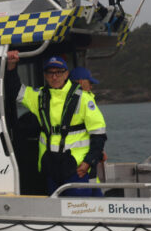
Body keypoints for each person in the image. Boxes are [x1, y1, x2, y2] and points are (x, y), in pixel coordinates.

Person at [6, 51, 107, 196]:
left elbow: (99, 134)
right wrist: (11, 66)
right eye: (50, 72)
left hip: (76, 168)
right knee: (57, 212)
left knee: (79, 211)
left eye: (59, 72)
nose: (54, 76)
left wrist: (89, 161)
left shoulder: (83, 99)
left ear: (66, 74)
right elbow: (15, 91)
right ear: (45, 76)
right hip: (51, 167)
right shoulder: (39, 96)